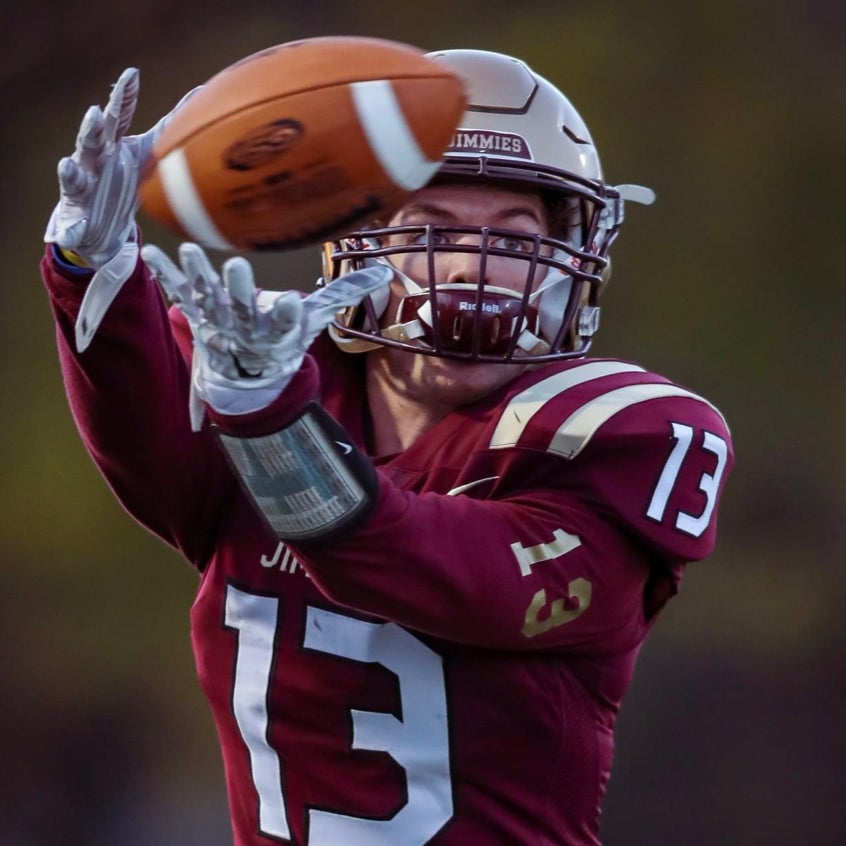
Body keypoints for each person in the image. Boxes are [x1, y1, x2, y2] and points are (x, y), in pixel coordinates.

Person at [41, 47, 733, 846]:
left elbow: (419, 565)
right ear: (360, 239)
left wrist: (273, 425)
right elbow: (139, 432)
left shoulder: (609, 438)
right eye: (432, 228)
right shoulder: (271, 375)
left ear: (571, 260)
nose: (472, 266)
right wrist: (88, 261)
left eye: (514, 239)